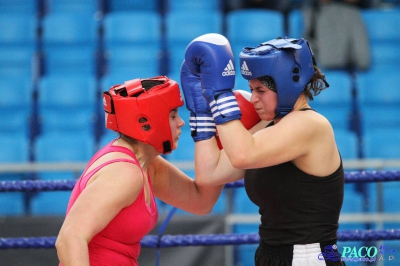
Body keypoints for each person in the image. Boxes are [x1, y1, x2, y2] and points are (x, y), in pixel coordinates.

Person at [181, 33, 346, 265]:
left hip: (308, 256)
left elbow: (241, 155)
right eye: (251, 89)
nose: (253, 99)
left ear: (289, 85)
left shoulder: (310, 125)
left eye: (261, 90)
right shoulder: (268, 126)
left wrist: (219, 95)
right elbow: (210, 174)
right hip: (271, 254)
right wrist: (202, 114)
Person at [55, 76, 225, 266]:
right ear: (147, 121)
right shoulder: (123, 172)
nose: (181, 122)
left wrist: (221, 139)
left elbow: (200, 201)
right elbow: (69, 238)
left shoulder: (147, 164)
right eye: (173, 115)